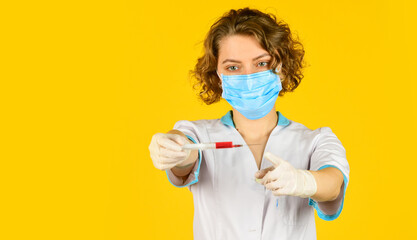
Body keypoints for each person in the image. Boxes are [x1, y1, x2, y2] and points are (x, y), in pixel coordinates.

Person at [148, 7, 350, 240]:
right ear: (218, 75)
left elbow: (333, 185)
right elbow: (185, 151)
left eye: (262, 63)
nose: (248, 77)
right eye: (233, 67)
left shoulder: (316, 140)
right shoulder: (199, 134)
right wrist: (173, 147)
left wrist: (302, 181)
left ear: (282, 68)